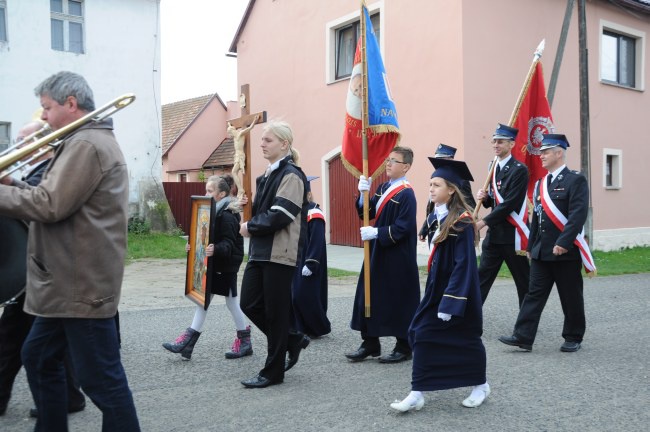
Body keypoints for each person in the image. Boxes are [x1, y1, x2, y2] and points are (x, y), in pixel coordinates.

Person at [0, 71, 140, 430]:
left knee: (102, 381)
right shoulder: (78, 141)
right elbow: (57, 195)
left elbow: (49, 205)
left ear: (71, 104)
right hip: (65, 281)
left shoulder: (86, 144)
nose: (43, 116)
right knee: (38, 356)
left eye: (46, 108)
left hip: (80, 284)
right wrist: (13, 183)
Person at [0, 121, 86, 419]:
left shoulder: (53, 172)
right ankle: (70, 396)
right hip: (33, 271)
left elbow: (42, 206)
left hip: (41, 271)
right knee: (37, 341)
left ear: (42, 143)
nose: (18, 145)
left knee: (16, 340)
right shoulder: (36, 171)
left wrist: (9, 187)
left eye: (25, 140)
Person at [391, 157, 489, 412]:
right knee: (419, 332)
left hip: (458, 293)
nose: (431, 189)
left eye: (436, 185)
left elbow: (464, 265)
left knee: (466, 338)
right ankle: (418, 392)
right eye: (430, 184)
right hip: (437, 289)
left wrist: (451, 301)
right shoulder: (438, 216)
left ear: (452, 189)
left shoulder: (463, 222)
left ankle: (480, 385)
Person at [499, 134, 593, 353]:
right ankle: (523, 336)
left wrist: (564, 242)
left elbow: (577, 215)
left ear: (559, 153)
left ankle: (573, 336)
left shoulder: (575, 180)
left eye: (545, 152)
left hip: (564, 252)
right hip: (542, 251)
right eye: (541, 152)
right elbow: (537, 219)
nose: (541, 156)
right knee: (533, 294)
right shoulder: (541, 183)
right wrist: (531, 246)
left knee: (570, 295)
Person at [238, 120, 309, 388]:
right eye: (262, 139)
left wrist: (250, 227)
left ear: (284, 144)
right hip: (260, 251)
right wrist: (244, 209)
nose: (262, 144)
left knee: (275, 313)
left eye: (268, 140)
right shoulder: (266, 175)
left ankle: (273, 372)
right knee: (249, 303)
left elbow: (281, 215)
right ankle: (291, 339)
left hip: (281, 252)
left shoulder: (291, 174)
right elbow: (261, 212)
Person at [345, 146, 421, 364]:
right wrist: (362, 195)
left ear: (405, 166)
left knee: (397, 298)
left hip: (397, 254)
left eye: (394, 161)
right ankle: (370, 342)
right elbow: (366, 213)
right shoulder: (383, 187)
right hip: (377, 251)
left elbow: (404, 227)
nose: (388, 164)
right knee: (369, 293)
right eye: (388, 160)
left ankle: (404, 346)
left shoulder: (406, 193)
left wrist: (376, 232)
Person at [163, 175, 251, 360]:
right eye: (206, 190)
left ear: (222, 194)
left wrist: (215, 249)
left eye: (210, 191)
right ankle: (188, 343)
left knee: (231, 302)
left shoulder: (226, 215)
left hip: (225, 267)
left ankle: (244, 341)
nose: (206, 194)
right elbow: (204, 237)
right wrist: (193, 247)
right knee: (203, 301)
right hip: (214, 264)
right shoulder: (213, 211)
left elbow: (229, 244)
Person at [476, 123, 530, 306]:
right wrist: (484, 199)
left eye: (500, 142)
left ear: (511, 144)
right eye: (494, 141)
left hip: (513, 236)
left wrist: (482, 223)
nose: (496, 145)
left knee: (523, 282)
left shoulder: (519, 169)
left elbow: (509, 203)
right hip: (494, 236)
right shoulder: (493, 166)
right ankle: (469, 321)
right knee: (481, 278)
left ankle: (525, 328)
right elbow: (494, 202)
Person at [291, 176, 331, 338]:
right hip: (295, 259)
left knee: (306, 295)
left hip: (309, 261)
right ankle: (301, 328)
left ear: (307, 193)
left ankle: (318, 327)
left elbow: (317, 240)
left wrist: (311, 263)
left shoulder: (314, 212)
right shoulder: (296, 211)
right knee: (295, 295)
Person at [419, 143, 475, 242]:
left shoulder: (460, 181)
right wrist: (425, 227)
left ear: (451, 160)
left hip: (451, 228)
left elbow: (469, 205)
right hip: (436, 225)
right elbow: (432, 207)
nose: (438, 164)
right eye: (437, 160)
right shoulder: (435, 178)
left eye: (442, 160)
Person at [228, 115, 259, 201]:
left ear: (232, 131)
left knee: (234, 172)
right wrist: (229, 124)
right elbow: (229, 125)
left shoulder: (240, 133)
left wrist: (254, 121)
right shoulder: (235, 136)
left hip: (240, 155)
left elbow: (249, 129)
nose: (230, 135)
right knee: (234, 172)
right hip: (237, 155)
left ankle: (241, 189)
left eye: (230, 133)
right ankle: (240, 189)